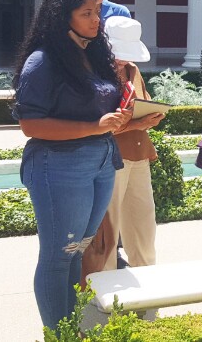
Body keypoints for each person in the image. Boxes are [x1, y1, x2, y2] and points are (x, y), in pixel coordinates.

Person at [12, 0, 131, 330]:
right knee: (58, 256)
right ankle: (59, 333)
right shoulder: (43, 61)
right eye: (87, 13)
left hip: (101, 162)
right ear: (63, 18)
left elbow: (97, 116)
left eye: (96, 12)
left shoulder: (92, 56)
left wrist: (127, 119)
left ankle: (69, 328)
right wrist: (95, 127)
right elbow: (30, 124)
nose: (97, 20)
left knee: (76, 253)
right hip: (58, 167)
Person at [80, 17, 164, 286]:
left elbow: (145, 101)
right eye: (120, 55)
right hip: (110, 160)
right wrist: (136, 123)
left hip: (139, 156)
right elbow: (95, 127)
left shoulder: (132, 70)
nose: (123, 61)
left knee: (143, 228)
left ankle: (148, 291)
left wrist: (150, 115)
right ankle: (103, 298)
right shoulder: (93, 72)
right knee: (106, 233)